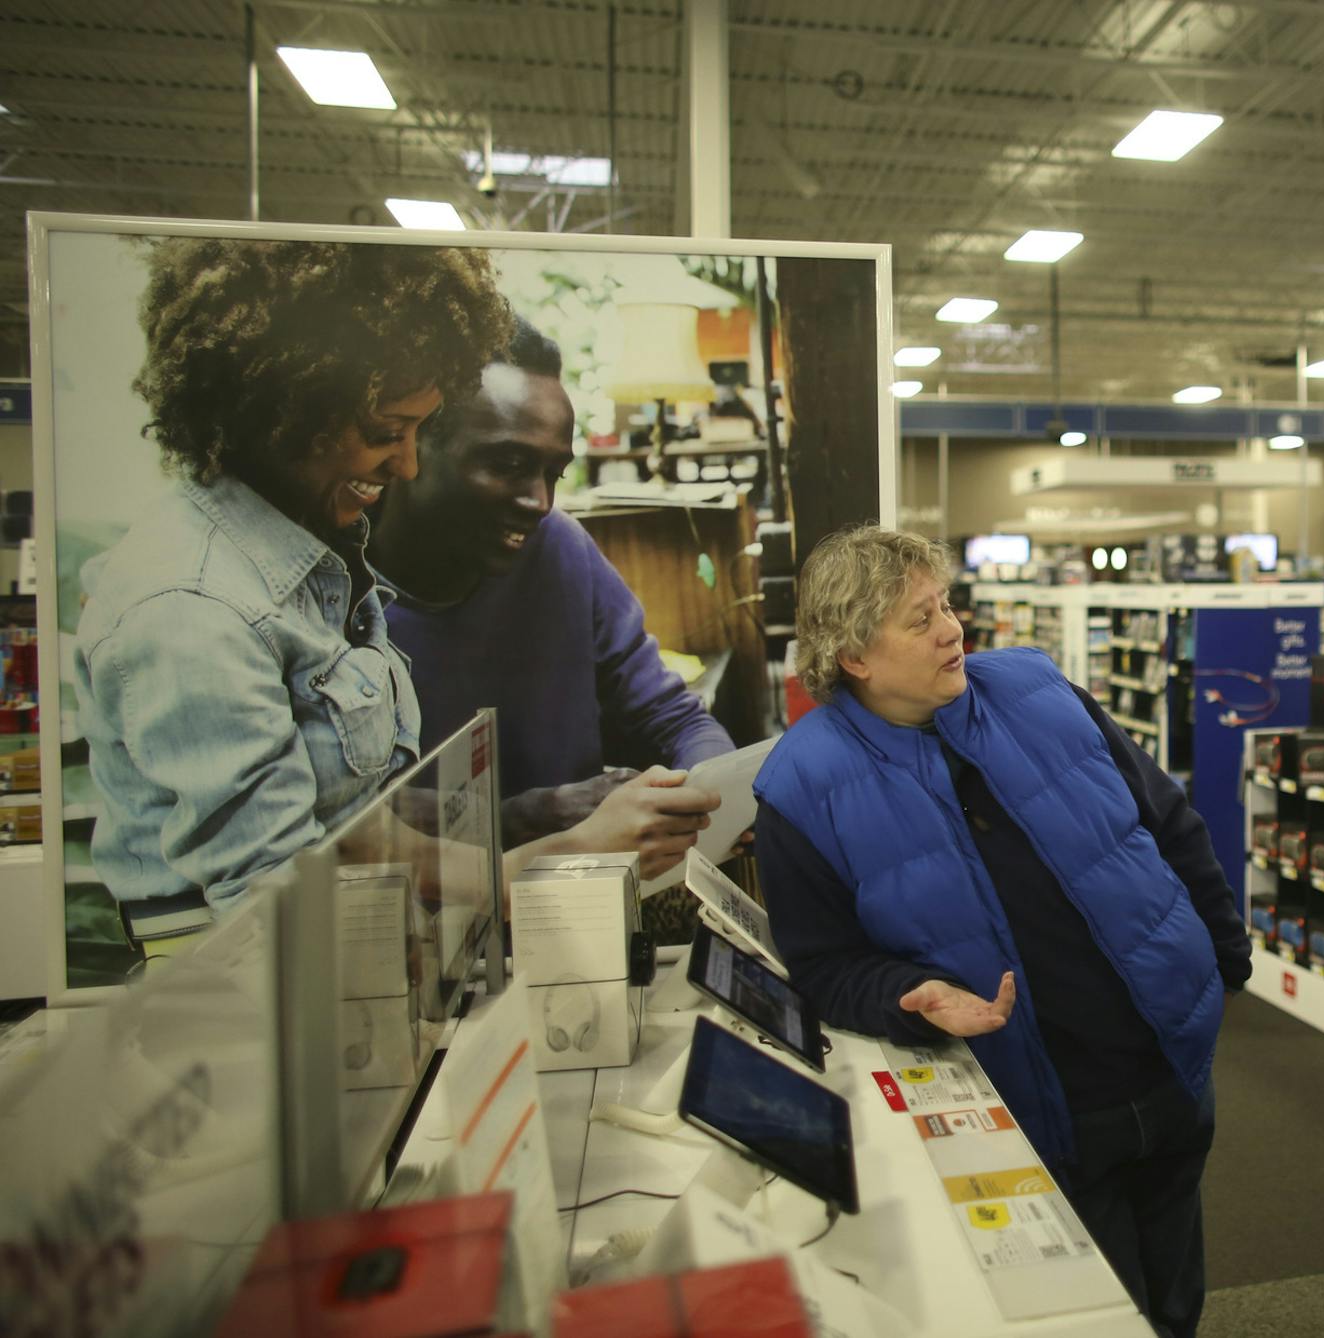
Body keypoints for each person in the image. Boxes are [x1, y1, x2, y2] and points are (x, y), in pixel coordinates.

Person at [752, 525, 1250, 1338]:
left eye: (946, 604)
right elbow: (824, 964)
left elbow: (1166, 821)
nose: (952, 629)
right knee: (1099, 1313)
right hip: (1038, 1106)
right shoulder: (803, 787)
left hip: (1171, 1063)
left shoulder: (1038, 689)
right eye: (920, 620)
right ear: (853, 656)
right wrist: (909, 994)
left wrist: (1225, 960)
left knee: (1177, 1290)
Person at [73, 237, 512, 910]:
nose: (408, 465)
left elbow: (356, 834)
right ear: (284, 412)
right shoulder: (195, 610)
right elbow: (274, 914)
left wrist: (541, 868)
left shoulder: (308, 555)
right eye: (386, 432)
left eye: (417, 431)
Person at [370, 317, 728, 876]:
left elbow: (675, 718)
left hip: (575, 904)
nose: (540, 502)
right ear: (410, 447)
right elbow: (344, 825)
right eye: (508, 465)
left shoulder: (560, 547)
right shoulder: (329, 595)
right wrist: (530, 816)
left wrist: (712, 791)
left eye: (554, 473)